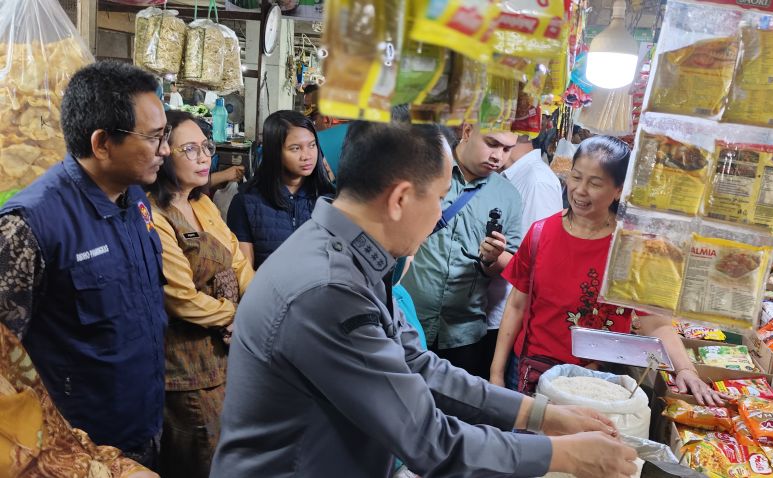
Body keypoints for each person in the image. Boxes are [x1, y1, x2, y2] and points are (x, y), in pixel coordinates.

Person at [210, 121, 638, 478]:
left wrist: (542, 415)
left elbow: (417, 365)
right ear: (399, 199)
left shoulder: (353, 255)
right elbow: (428, 440)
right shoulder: (327, 290)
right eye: (438, 197)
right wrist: (562, 454)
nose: (440, 214)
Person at [0, 61, 170, 469]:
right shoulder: (29, 227)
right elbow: (6, 364)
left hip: (143, 427)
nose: (165, 150)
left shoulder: (136, 201)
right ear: (102, 144)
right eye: (154, 138)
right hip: (79, 451)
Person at [489, 136, 725, 405]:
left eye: (595, 183)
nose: (579, 190)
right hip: (528, 372)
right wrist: (496, 375)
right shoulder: (540, 233)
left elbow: (655, 322)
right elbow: (517, 305)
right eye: (576, 177)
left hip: (596, 381)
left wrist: (686, 370)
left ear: (618, 190)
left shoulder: (635, 249)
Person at [145, 111, 255, 477]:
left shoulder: (201, 203)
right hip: (186, 369)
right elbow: (178, 297)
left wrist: (254, 307)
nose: (205, 157)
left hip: (227, 360)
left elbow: (238, 263)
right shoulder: (154, 214)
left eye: (206, 147)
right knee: (201, 459)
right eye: (189, 149)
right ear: (163, 154)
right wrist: (235, 315)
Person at [401, 123, 523, 379]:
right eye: (491, 144)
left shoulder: (508, 195)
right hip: (406, 322)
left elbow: (511, 264)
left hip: (464, 335)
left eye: (507, 149)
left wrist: (494, 257)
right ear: (467, 132)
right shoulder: (422, 170)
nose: (498, 156)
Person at [0, 322, 157, 478]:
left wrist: (121, 468)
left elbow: (55, 430)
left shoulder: (3, 340)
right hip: (90, 408)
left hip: (133, 417)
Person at [484, 134, 563, 374]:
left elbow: (539, 269)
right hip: (490, 310)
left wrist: (494, 258)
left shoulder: (537, 181)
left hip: (505, 318)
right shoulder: (509, 175)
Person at [226, 110, 335, 269]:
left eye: (312, 145)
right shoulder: (246, 202)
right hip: (267, 292)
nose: (307, 156)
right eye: (295, 148)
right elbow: (245, 273)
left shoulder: (328, 200)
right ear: (275, 152)